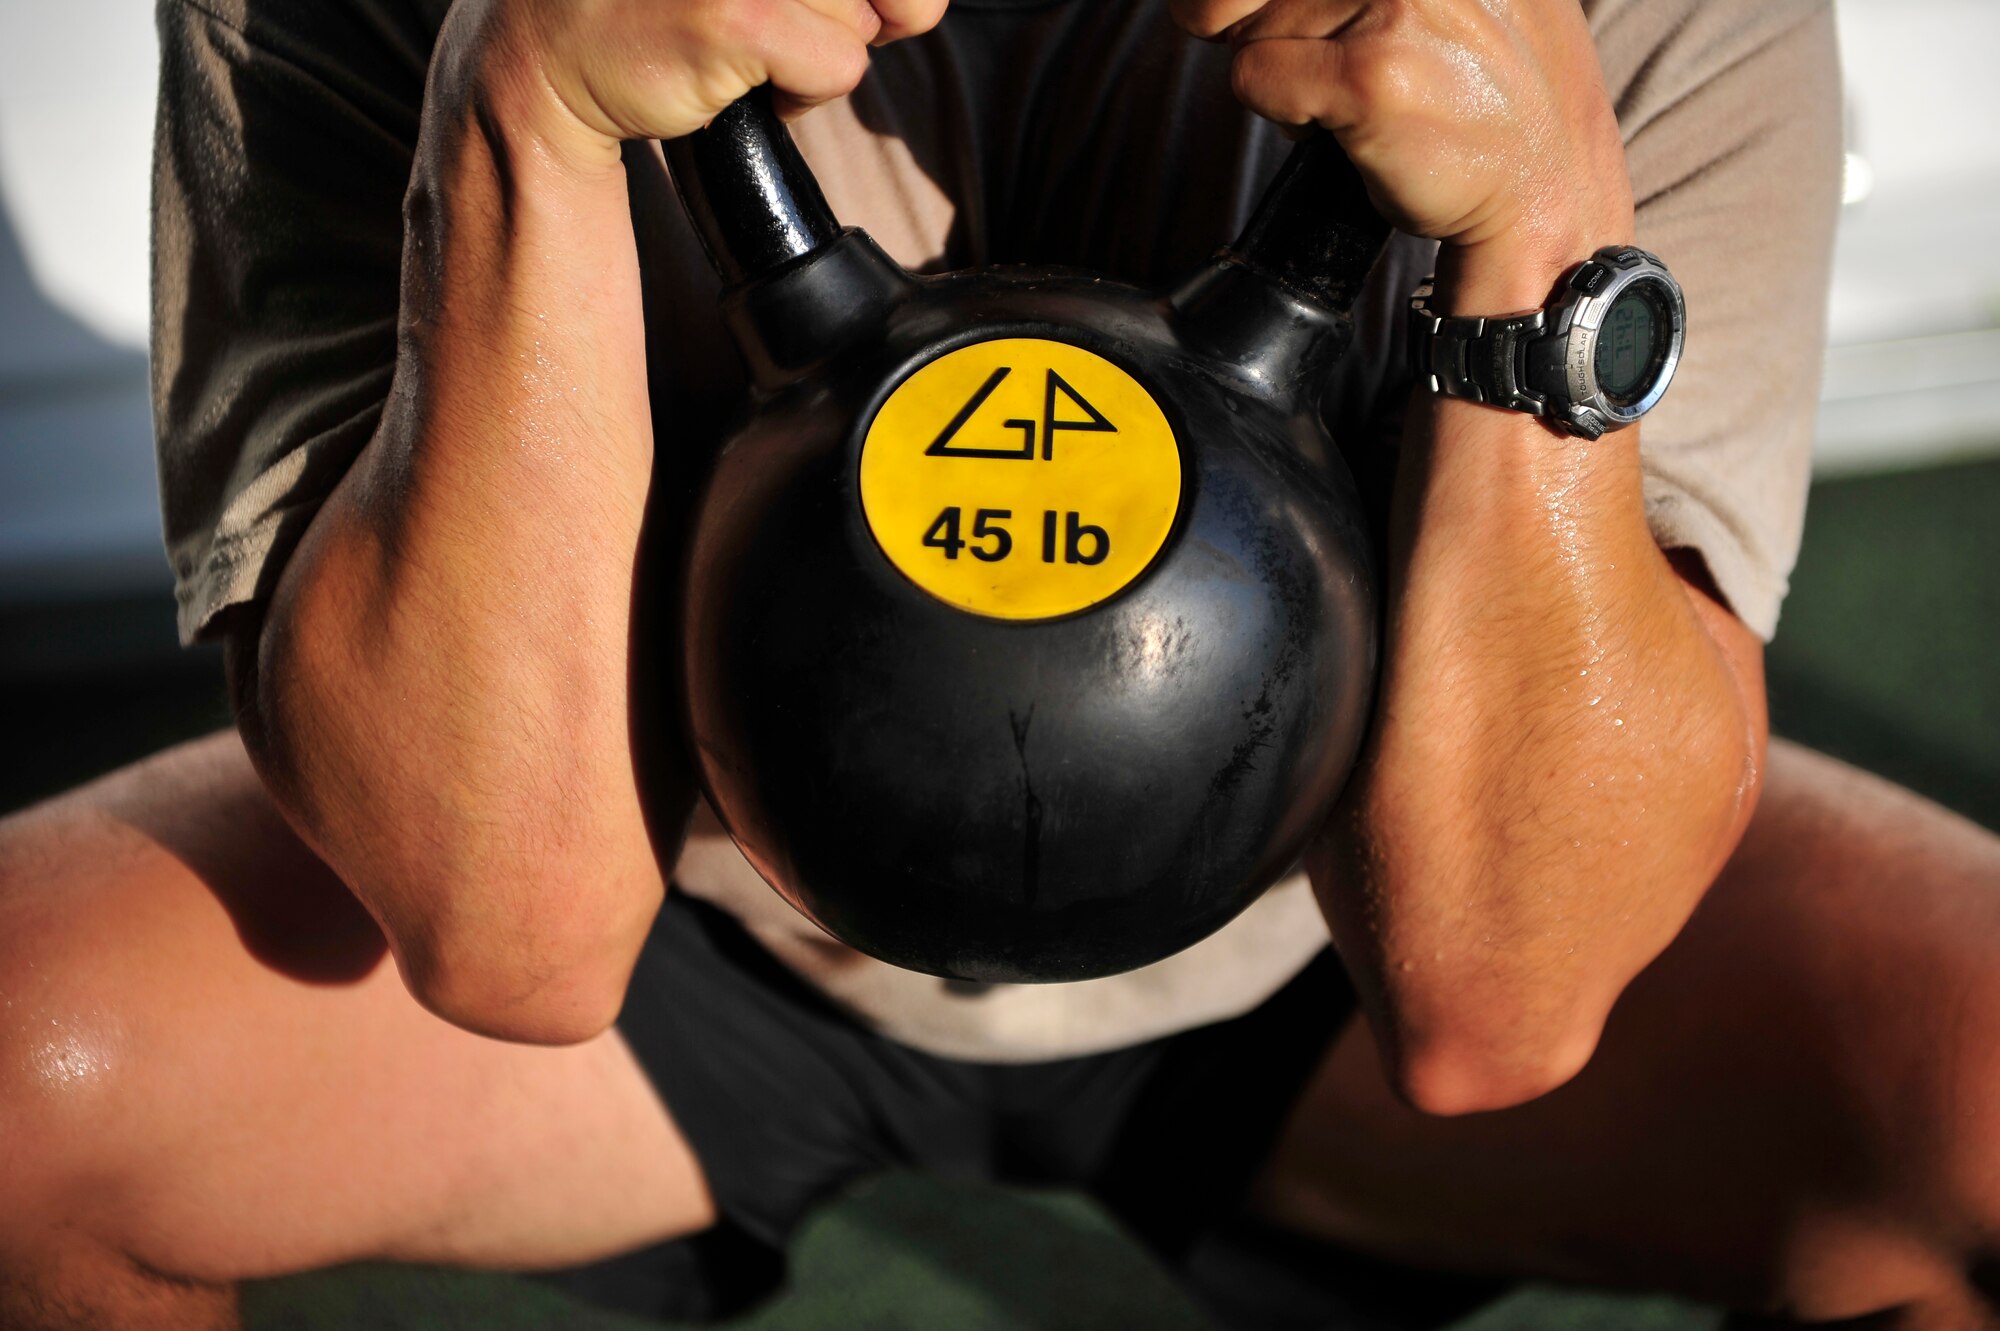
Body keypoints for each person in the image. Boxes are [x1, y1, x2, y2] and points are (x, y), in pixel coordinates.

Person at [3, 0, 1997, 1326]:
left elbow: (1502, 990)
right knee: (24, 1089)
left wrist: (1541, 202)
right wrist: (515, 106)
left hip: (1332, 933)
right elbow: (502, 926)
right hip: (678, 917)